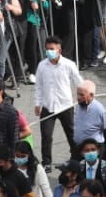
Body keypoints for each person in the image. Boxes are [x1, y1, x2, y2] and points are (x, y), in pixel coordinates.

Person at [34, 37, 80, 168]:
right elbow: (39, 86)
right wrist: (37, 103)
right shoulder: (42, 66)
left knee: (71, 134)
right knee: (46, 136)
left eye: (52, 49)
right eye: (47, 49)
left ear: (59, 50)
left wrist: (83, 98)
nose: (49, 51)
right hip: (48, 106)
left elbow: (78, 82)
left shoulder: (69, 65)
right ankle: (47, 162)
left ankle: (75, 158)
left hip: (65, 105)